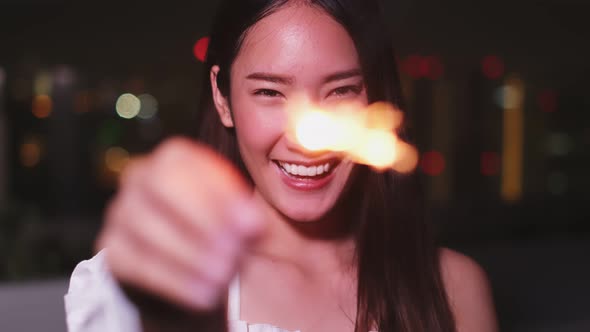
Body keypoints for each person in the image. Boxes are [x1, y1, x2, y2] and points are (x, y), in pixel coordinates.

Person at [64, 0, 499, 331]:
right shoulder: (151, 282)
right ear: (223, 98)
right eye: (270, 93)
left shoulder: (453, 288)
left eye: (341, 90)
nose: (305, 141)